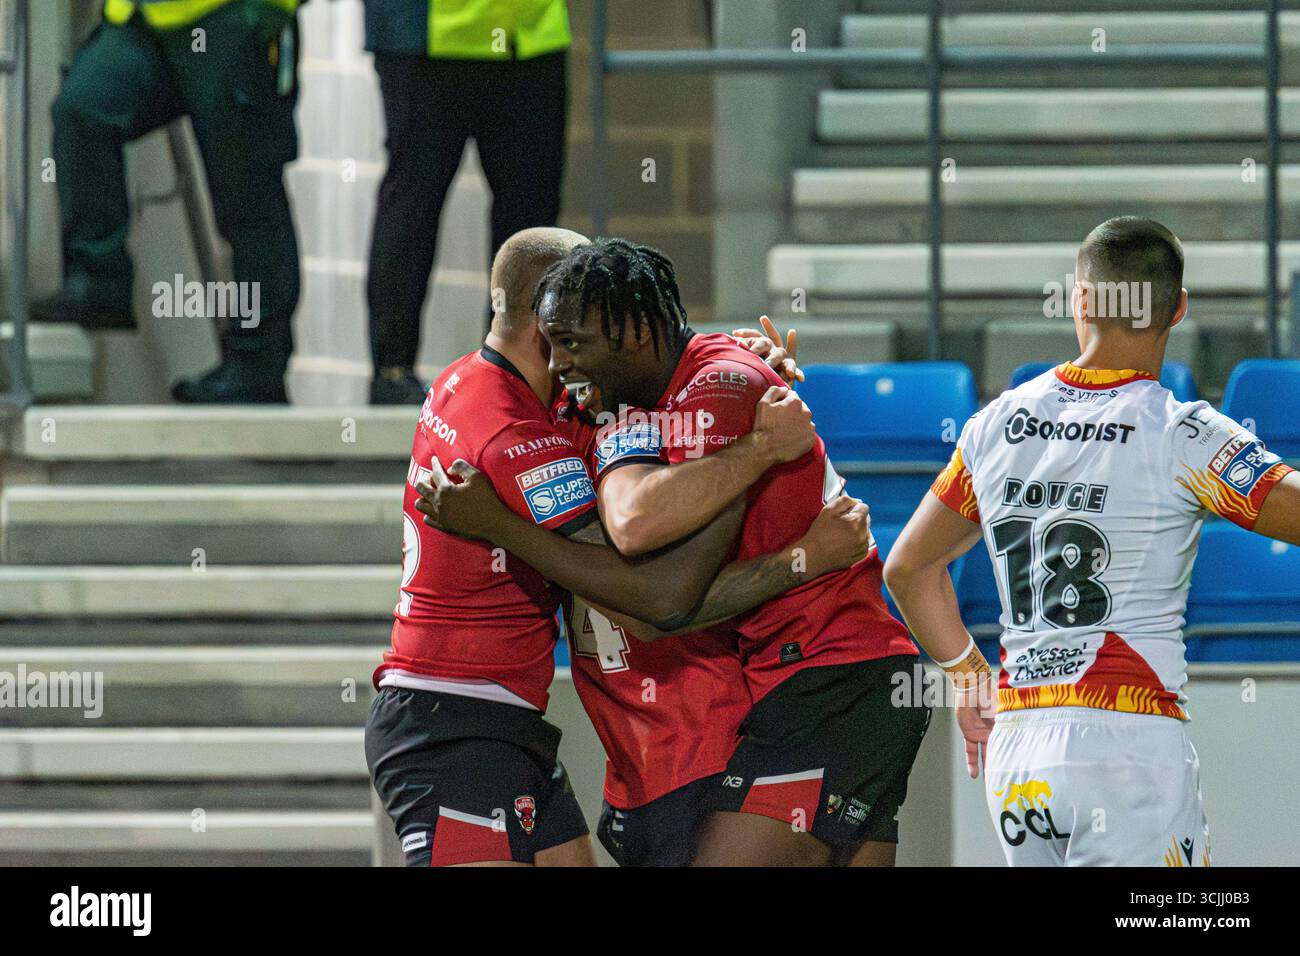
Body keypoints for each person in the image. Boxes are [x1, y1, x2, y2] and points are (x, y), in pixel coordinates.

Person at [370, 227, 867, 866]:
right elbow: (656, 601)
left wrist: (740, 374)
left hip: (505, 724)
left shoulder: (471, 383)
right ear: (545, 321)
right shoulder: (514, 436)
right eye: (582, 319)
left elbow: (659, 372)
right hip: (455, 727)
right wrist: (799, 555)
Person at [884, 216, 1300, 866]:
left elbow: (908, 568)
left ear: (1079, 299)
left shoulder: (997, 425)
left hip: (1021, 752)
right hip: (1128, 745)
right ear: (1178, 309)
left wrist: (969, 677)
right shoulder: (1180, 432)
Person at [515, 237, 929, 867]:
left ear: (639, 331)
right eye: (551, 344)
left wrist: (762, 451)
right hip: (821, 681)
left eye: (574, 343)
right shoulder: (671, 392)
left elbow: (635, 527)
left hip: (832, 677)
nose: (560, 364)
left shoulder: (725, 383)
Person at [37, 0, 303, 403]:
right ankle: (98, 281)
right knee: (83, 109)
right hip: (141, 20)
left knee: (247, 199)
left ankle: (256, 364)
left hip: (233, 17)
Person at [362, 0, 570, 404]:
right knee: (412, 210)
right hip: (423, 40)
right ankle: (392, 370)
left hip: (528, 35)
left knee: (531, 227)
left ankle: (511, 371)